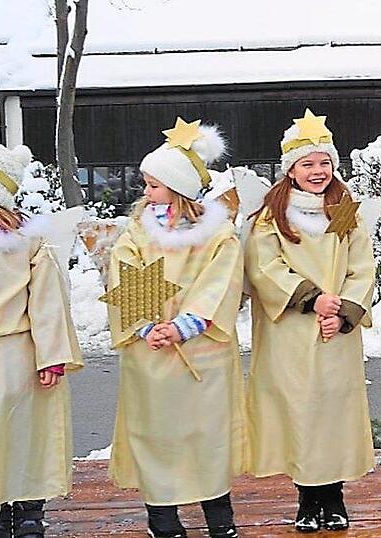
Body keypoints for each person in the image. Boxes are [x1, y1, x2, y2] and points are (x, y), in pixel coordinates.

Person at [106, 119, 244, 537]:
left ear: (178, 189)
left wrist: (186, 324)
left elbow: (220, 280)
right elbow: (124, 272)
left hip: (202, 350)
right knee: (156, 431)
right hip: (152, 351)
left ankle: (218, 513)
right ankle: (162, 516)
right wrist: (150, 325)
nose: (145, 193)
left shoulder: (218, 236)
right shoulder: (138, 233)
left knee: (206, 434)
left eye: (153, 185)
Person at [244, 109, 375, 532]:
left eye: (323, 163)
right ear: (291, 170)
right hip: (292, 329)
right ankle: (306, 497)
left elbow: (361, 265)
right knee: (298, 410)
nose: (317, 171)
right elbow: (264, 267)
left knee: (332, 411)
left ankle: (333, 495)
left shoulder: (343, 211)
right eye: (307, 163)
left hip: (336, 330)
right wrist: (312, 300)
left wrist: (345, 311)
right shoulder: (272, 216)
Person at [0, 133, 83, 537]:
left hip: (19, 351)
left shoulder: (28, 241)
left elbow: (48, 300)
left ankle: (30, 508)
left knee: (26, 432)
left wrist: (51, 354)